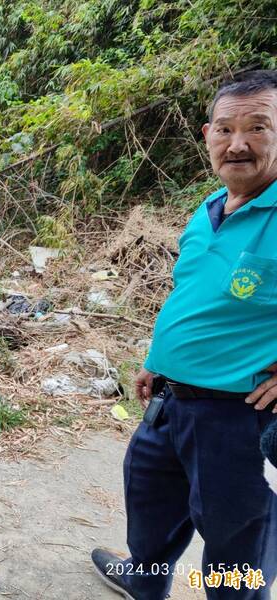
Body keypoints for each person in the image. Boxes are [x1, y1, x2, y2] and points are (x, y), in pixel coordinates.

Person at [91, 70, 277, 600]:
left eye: (258, 128)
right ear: (207, 135)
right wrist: (159, 359)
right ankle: (144, 581)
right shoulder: (209, 209)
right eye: (225, 129)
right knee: (150, 508)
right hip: (170, 403)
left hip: (241, 419)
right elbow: (191, 295)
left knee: (237, 556)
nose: (237, 144)